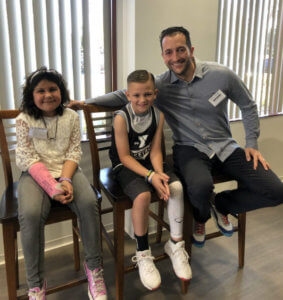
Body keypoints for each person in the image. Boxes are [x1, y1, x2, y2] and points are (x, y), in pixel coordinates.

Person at [70, 26, 283, 249]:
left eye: (180, 50)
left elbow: (248, 105)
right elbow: (122, 95)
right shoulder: (159, 86)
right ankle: (201, 218)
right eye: (168, 52)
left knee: (276, 191)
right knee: (200, 187)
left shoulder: (222, 75)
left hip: (225, 146)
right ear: (163, 56)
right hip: (190, 149)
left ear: (190, 50)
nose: (175, 57)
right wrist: (85, 103)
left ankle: (221, 204)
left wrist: (251, 143)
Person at [16, 67, 107, 300]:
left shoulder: (71, 117)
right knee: (31, 213)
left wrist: (65, 179)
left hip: (66, 170)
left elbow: (74, 150)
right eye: (41, 90)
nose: (48, 95)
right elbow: (27, 158)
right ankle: (36, 285)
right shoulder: (23, 120)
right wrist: (52, 187)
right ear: (31, 95)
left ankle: (94, 269)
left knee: (88, 203)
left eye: (53, 89)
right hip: (35, 174)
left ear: (61, 91)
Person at [110, 69, 191, 290]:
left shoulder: (159, 115)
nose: (142, 100)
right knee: (143, 195)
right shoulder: (120, 118)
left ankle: (175, 244)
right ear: (128, 95)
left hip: (149, 163)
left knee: (175, 187)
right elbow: (125, 156)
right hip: (126, 166)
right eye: (136, 95)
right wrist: (150, 176)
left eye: (147, 94)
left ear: (155, 94)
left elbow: (156, 151)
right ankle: (143, 253)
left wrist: (159, 174)